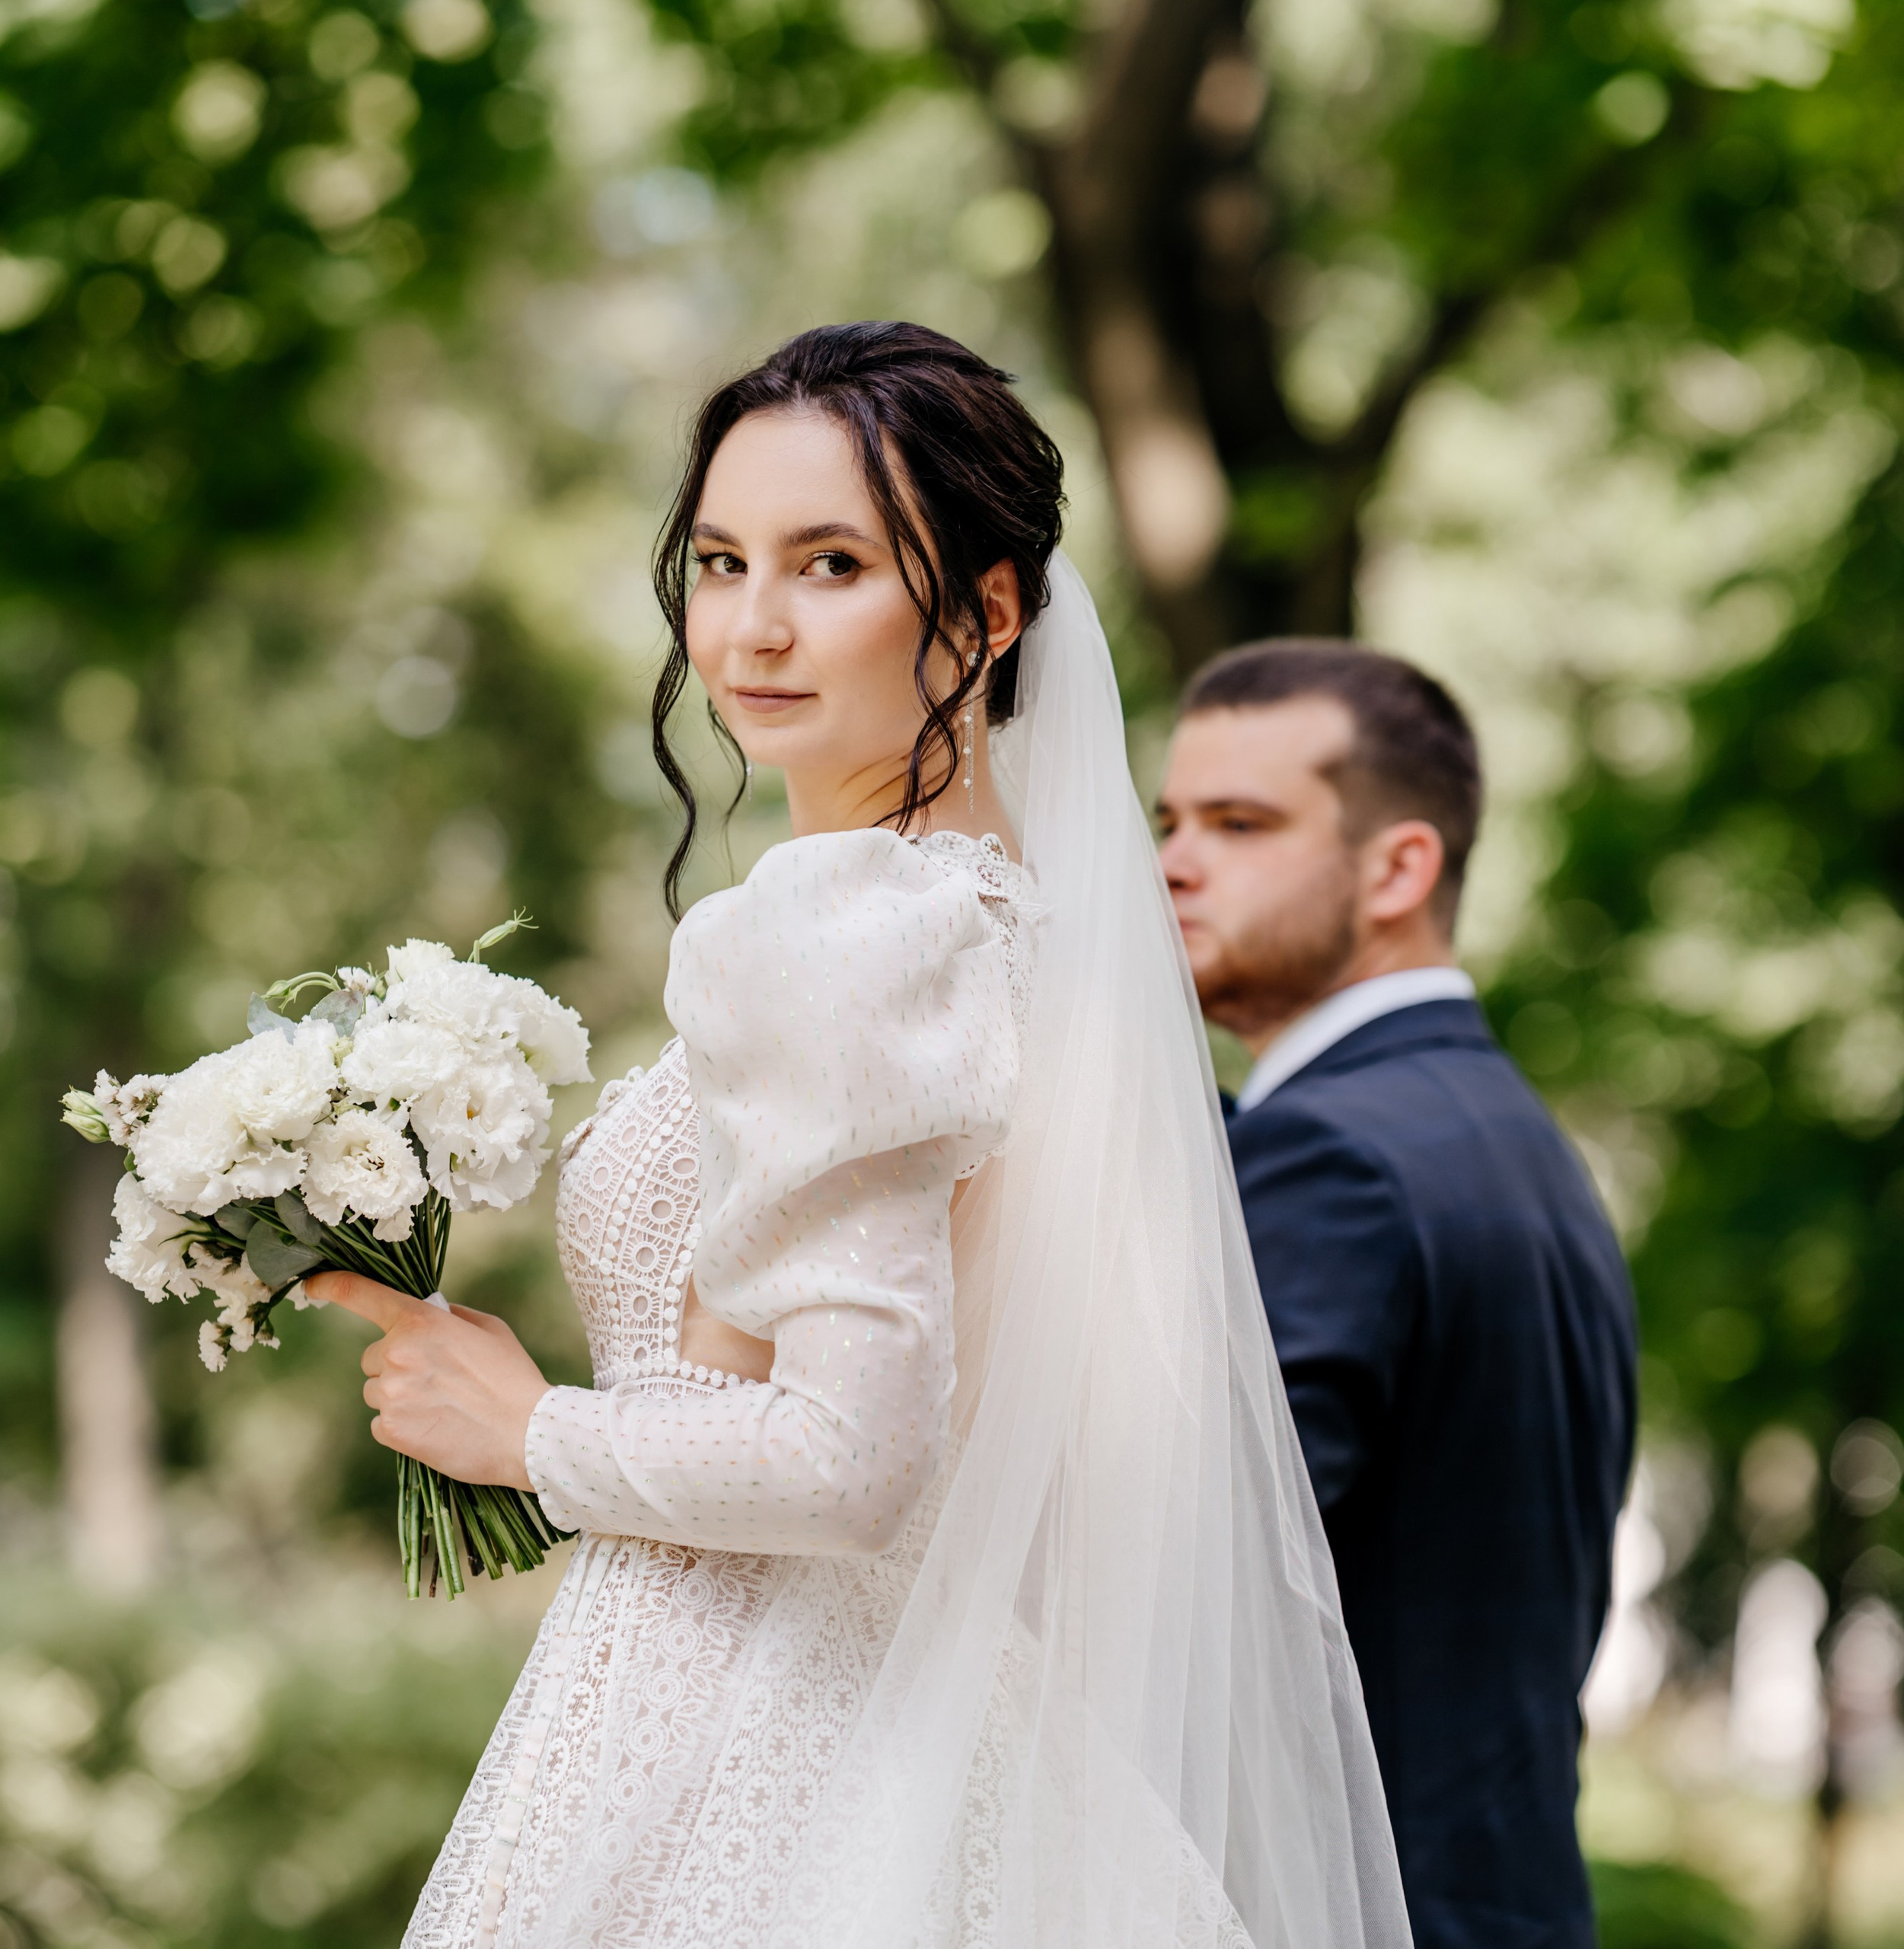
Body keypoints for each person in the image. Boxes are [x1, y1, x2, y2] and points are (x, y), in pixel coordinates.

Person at [305, 325, 1409, 1949]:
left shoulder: (849, 927)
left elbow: (848, 1455)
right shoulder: (1010, 918)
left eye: (829, 564)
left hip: (763, 1731)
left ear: (984, 609)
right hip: (925, 1715)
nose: (751, 624)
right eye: (719, 560)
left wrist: (528, 1429)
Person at [1156, 643, 1638, 1949]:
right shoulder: (1521, 1146)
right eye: (1170, 822)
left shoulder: (1329, 1161)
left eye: (1240, 825)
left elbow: (1191, 1592)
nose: (1175, 863)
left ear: (1399, 868)